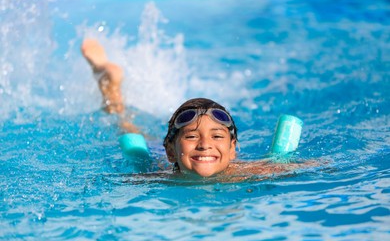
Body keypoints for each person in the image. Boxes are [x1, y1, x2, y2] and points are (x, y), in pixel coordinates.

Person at [81, 39, 315, 181]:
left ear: (233, 150)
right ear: (171, 152)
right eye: (192, 136)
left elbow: (317, 165)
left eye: (217, 136)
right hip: (154, 154)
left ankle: (112, 89)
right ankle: (110, 89)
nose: (205, 144)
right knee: (125, 125)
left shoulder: (250, 172)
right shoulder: (157, 177)